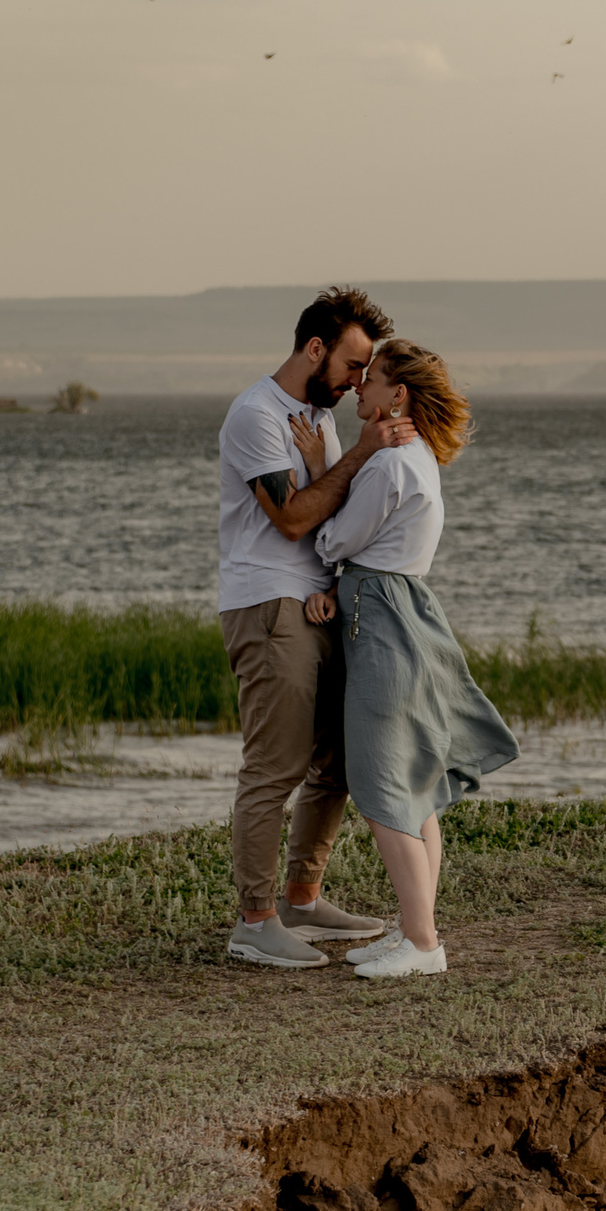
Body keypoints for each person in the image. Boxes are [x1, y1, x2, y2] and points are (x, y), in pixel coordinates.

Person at [216, 285, 419, 970]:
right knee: (275, 767)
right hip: (269, 605)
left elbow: (332, 516)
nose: (361, 381)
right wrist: (359, 454)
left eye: (366, 372)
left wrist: (341, 461)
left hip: (316, 602)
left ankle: (304, 898)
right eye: (354, 366)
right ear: (314, 349)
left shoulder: (316, 420)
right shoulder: (256, 416)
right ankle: (254, 921)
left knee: (337, 762)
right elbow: (296, 518)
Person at [305, 340, 519, 979]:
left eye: (370, 380)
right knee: (415, 786)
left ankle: (423, 943)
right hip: (403, 610)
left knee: (379, 784)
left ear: (396, 395)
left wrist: (322, 473)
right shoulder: (418, 457)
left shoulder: (389, 465)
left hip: (381, 613)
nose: (358, 389)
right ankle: (413, 929)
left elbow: (334, 538)